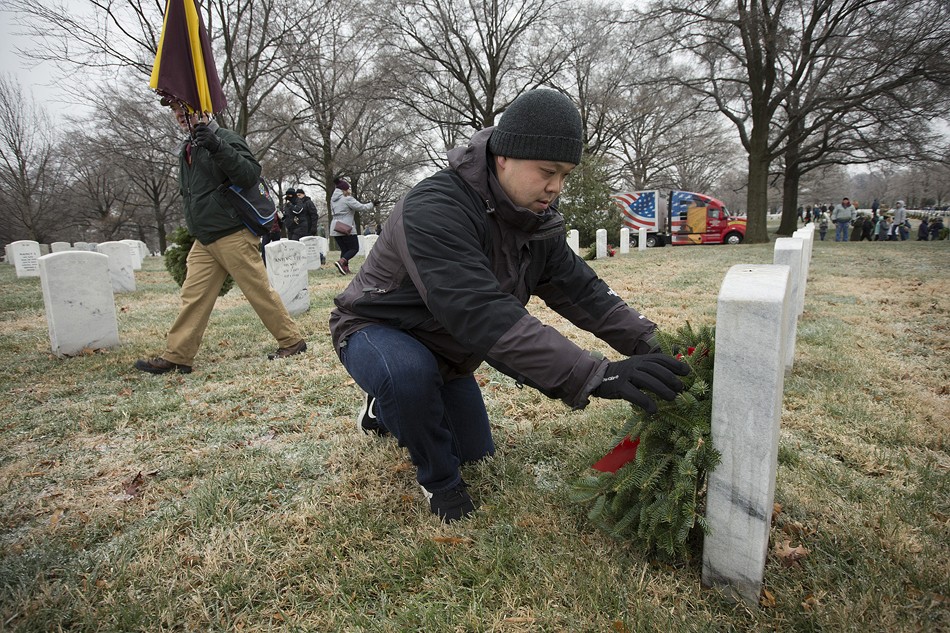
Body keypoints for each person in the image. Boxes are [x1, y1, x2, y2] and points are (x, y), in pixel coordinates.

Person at [329, 89, 690, 522]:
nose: (556, 187)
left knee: (475, 451)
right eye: (547, 171)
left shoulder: (534, 223)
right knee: (407, 375)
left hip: (449, 351)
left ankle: (386, 409)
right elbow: (477, 310)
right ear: (504, 156)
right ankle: (437, 480)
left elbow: (585, 293)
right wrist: (596, 374)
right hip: (379, 329)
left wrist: (654, 344)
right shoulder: (435, 207)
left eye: (565, 175)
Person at [134, 100, 307, 374]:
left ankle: (292, 341)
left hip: (233, 233)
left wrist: (216, 145)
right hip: (205, 238)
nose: (179, 115)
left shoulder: (225, 138)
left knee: (258, 291)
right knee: (193, 296)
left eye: (185, 109)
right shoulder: (188, 148)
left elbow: (249, 174)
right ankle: (178, 355)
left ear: (203, 109)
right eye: (176, 111)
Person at [330, 178, 374, 275]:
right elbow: (361, 207)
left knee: (345, 249)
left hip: (334, 228)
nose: (349, 191)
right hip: (346, 227)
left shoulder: (333, 200)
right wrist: (372, 204)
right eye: (348, 189)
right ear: (343, 190)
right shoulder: (347, 199)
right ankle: (341, 262)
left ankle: (345, 269)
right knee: (354, 248)